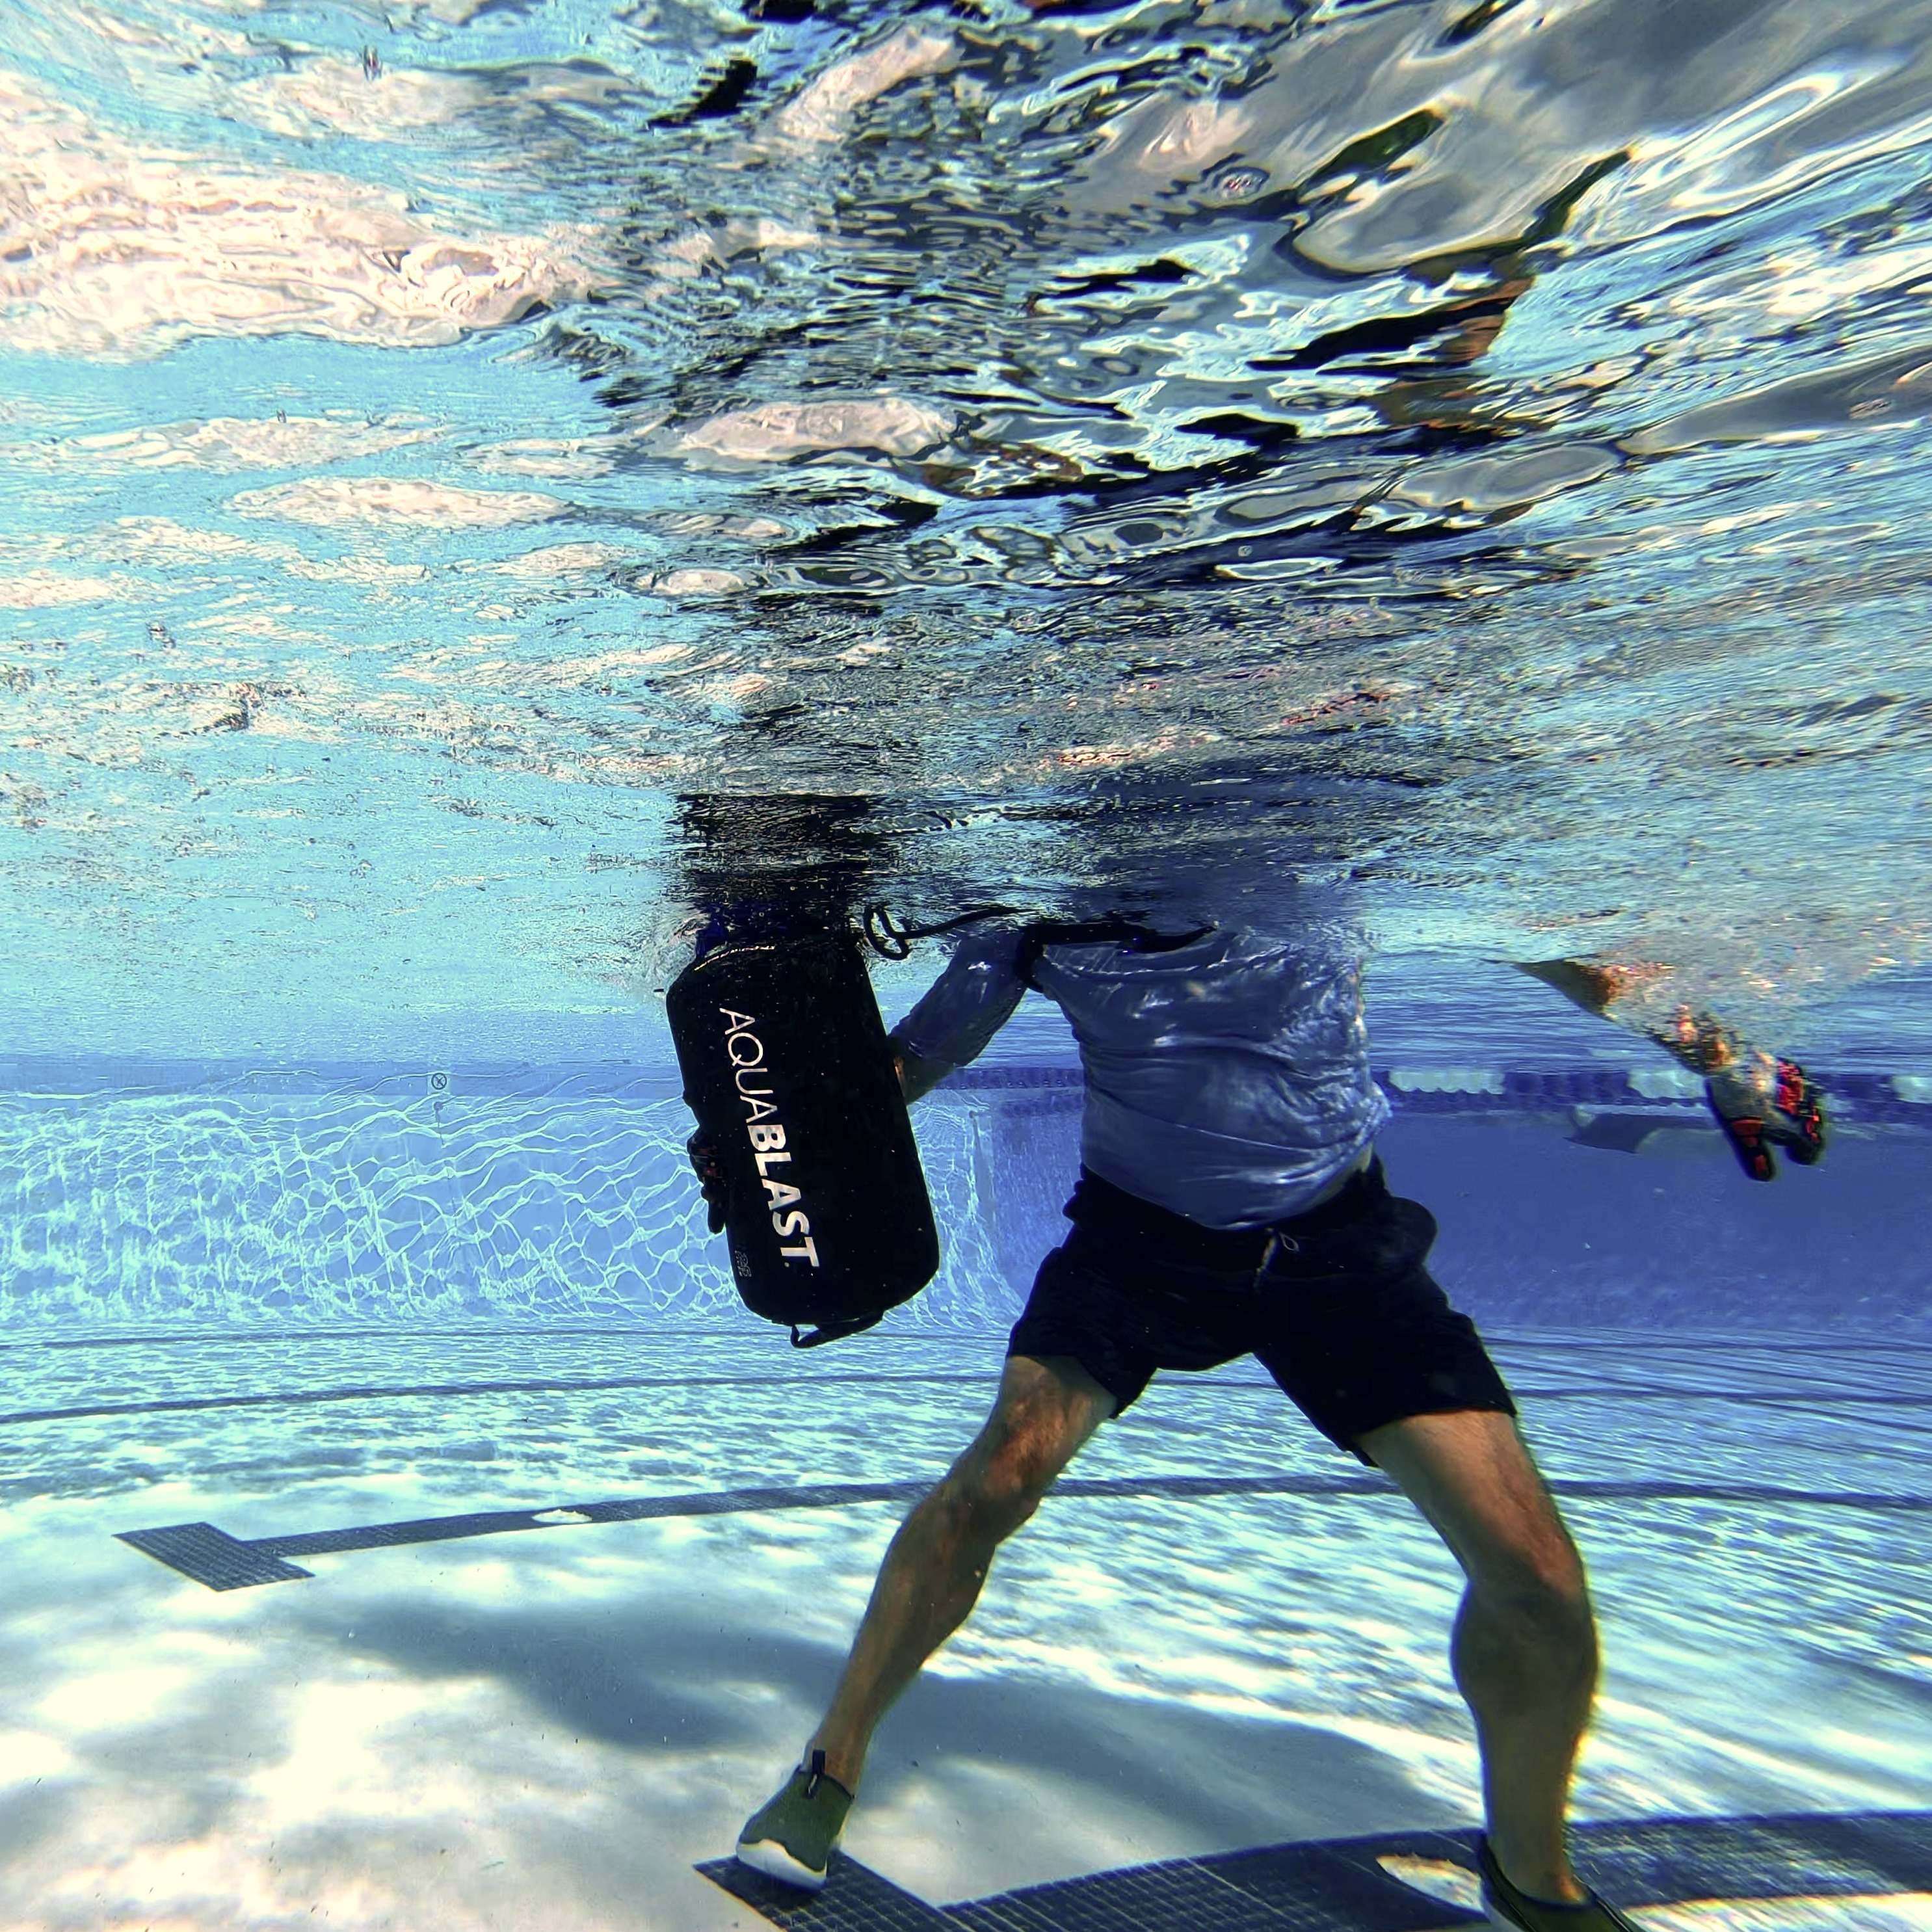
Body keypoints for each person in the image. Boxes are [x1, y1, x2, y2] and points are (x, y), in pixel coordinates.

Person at [723, 915, 1826, 1929]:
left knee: (1534, 1580)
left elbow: (1541, 935)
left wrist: (1722, 1054)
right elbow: (921, 1057)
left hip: (1338, 1250)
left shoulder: (1322, 854)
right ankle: (829, 1767)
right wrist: (768, 1135)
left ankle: (1532, 1875)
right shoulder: (1040, 913)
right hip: (1137, 1249)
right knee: (994, 1485)